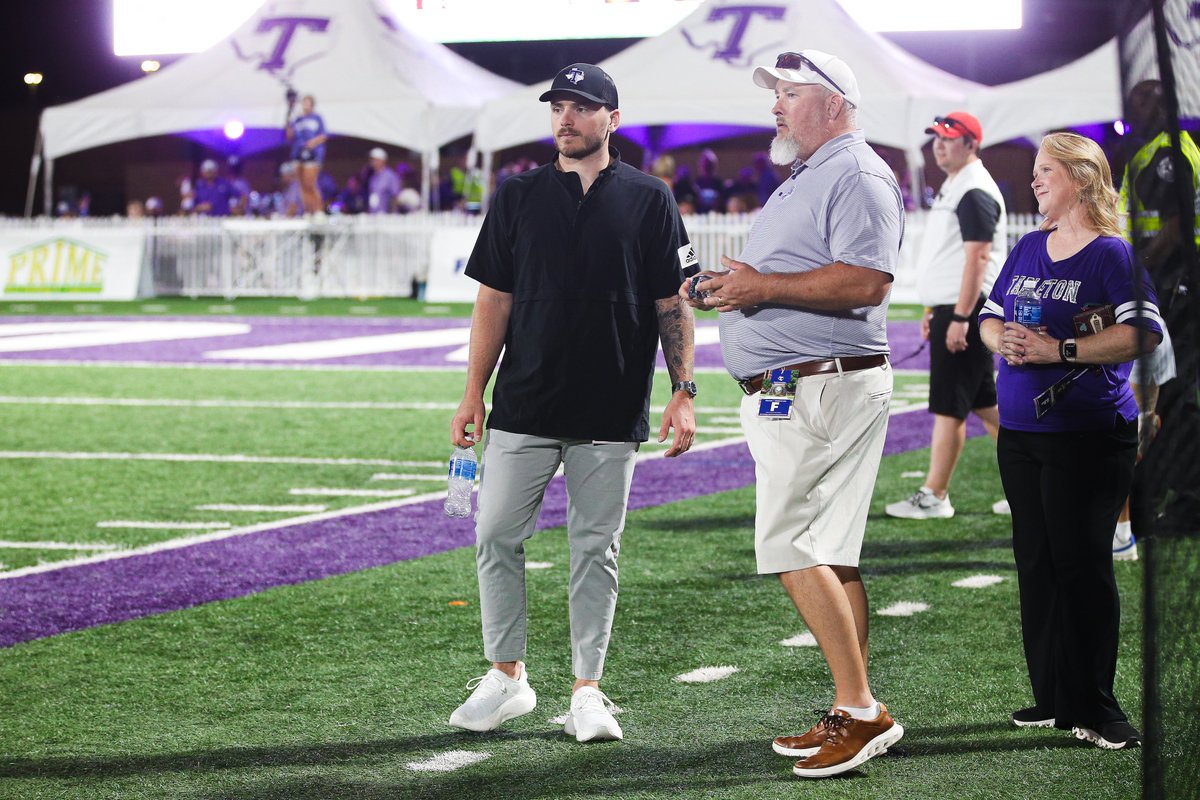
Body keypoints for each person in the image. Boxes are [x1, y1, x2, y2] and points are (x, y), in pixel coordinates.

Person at [448, 62, 698, 743]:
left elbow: (670, 303)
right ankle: (507, 676)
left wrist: (684, 390)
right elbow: (492, 299)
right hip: (523, 402)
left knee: (596, 550)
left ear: (611, 118)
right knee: (495, 532)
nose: (566, 117)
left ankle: (587, 689)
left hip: (610, 408)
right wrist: (473, 391)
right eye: (558, 105)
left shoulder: (650, 199)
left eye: (582, 107)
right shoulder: (518, 195)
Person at [681, 49, 904, 779]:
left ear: (835, 103)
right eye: (774, 94)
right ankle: (853, 706)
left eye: (789, 93)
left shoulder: (857, 173)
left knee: (788, 546)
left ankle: (863, 708)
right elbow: (793, 278)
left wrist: (760, 289)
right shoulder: (818, 173)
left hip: (816, 387)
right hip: (813, 383)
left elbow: (866, 281)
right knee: (831, 552)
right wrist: (736, 288)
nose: (775, 105)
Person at [978, 132, 1162, 751]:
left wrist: (1060, 350)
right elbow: (990, 313)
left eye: (1046, 170)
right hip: (1022, 436)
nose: (1034, 181)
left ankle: (1099, 708)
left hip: (1088, 436)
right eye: (1034, 171)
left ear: (1081, 178)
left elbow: (1144, 334)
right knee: (1036, 564)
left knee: (1081, 567)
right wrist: (999, 338)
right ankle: (1056, 697)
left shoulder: (1111, 255)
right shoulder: (1030, 245)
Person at [886, 112, 1008, 520]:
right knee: (986, 407)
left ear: (971, 143)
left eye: (949, 137)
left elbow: (979, 257)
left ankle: (935, 494)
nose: (939, 144)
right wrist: (933, 307)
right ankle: (1034, 479)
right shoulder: (958, 186)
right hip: (955, 308)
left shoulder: (973, 189)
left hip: (965, 312)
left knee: (948, 406)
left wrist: (958, 316)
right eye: (935, 136)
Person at [1116, 78, 1194, 551]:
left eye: (1144, 99)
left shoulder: (1167, 156)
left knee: (1159, 402)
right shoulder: (1160, 150)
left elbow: (1175, 224)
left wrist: (1133, 267)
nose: (1135, 106)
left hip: (1173, 285)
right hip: (1172, 284)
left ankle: (1170, 501)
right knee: (1164, 400)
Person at [285, 93, 328, 214]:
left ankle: (318, 210)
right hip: (298, 153)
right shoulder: (297, 119)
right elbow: (289, 136)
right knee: (302, 185)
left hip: (312, 154)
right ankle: (308, 210)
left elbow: (323, 135)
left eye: (308, 103)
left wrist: (312, 143)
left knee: (310, 183)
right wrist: (288, 117)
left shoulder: (317, 118)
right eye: (304, 103)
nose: (305, 106)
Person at [365, 147, 402, 214]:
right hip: (374, 215)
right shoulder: (373, 177)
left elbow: (395, 196)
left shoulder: (390, 176)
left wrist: (392, 215)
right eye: (371, 159)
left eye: (375, 160)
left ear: (382, 160)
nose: (372, 162)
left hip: (386, 216)